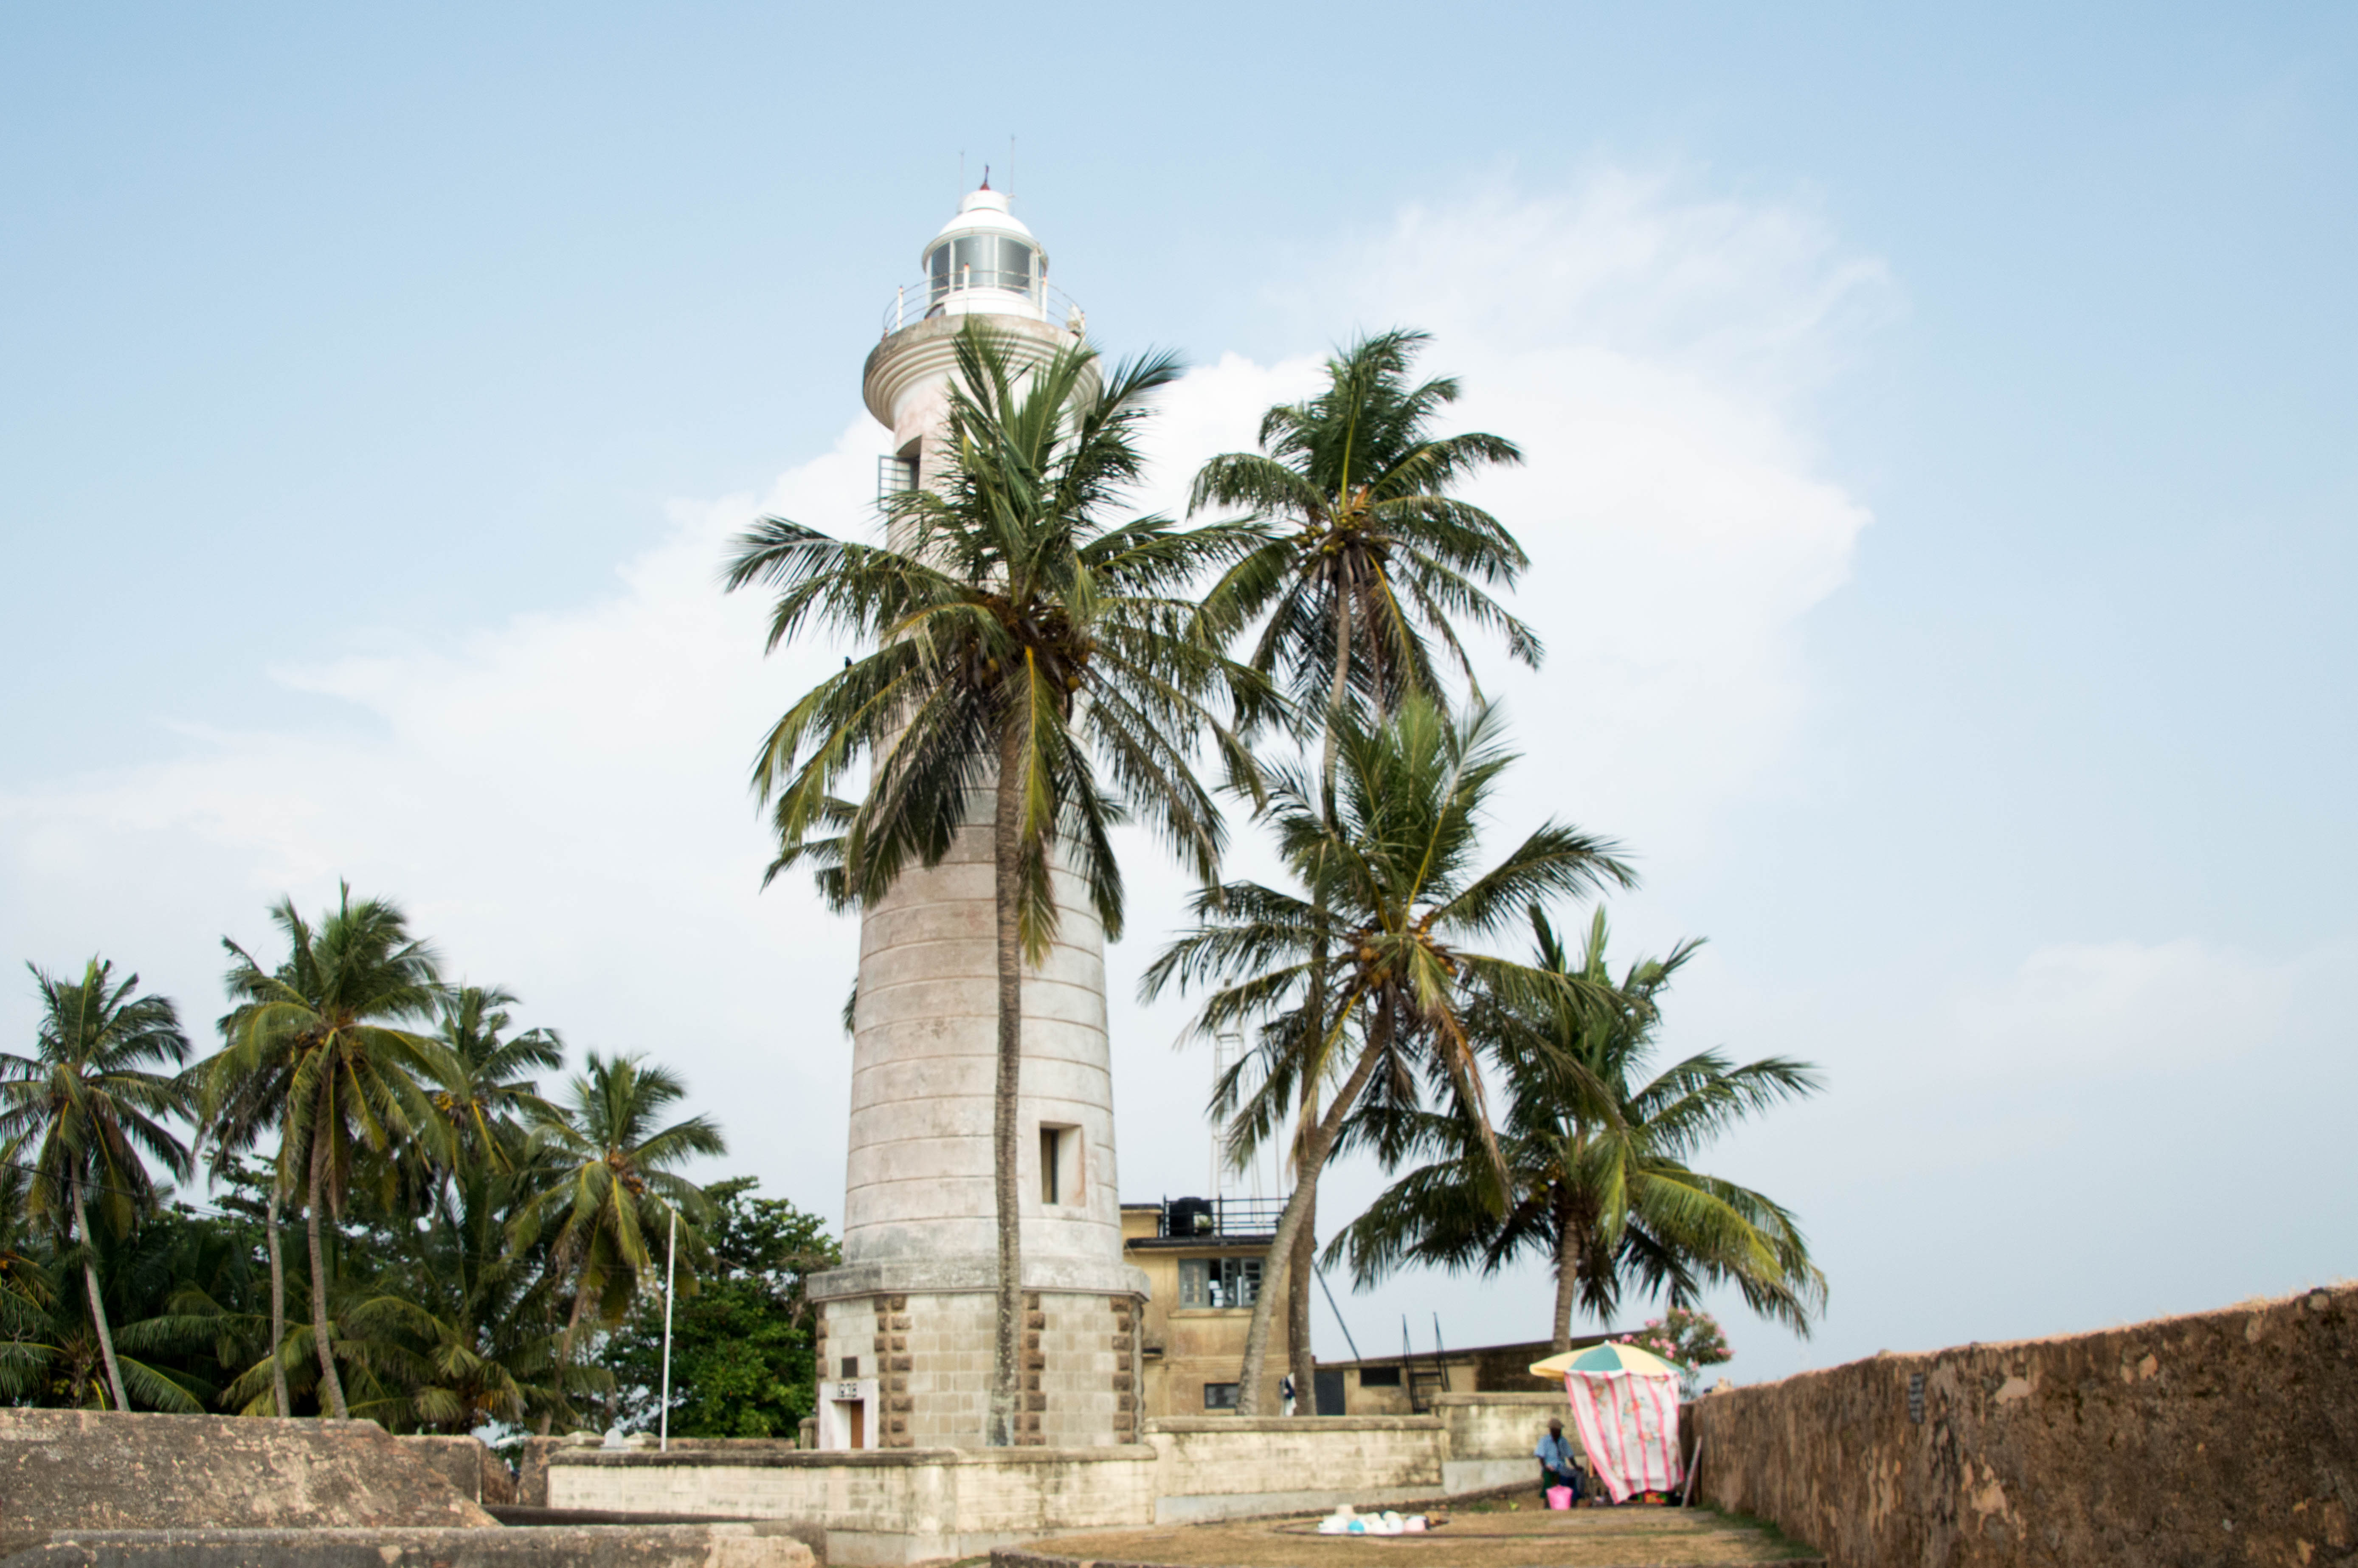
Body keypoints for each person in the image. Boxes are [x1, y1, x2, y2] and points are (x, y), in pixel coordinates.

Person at [1536, 1418, 1582, 1499]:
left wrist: (1575, 1466)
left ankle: (1577, 1496)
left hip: (1562, 1468)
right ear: (1552, 1430)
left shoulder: (1563, 1441)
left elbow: (1570, 1455)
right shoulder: (1544, 1441)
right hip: (1550, 1468)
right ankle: (1549, 1500)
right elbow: (1541, 1457)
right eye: (1557, 1431)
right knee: (1550, 1480)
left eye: (1560, 1431)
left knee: (1579, 1474)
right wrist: (1545, 1467)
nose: (1559, 1433)